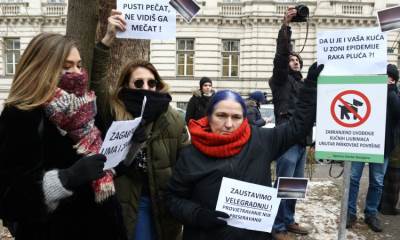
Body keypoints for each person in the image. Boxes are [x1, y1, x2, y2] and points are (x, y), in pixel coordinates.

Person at [0, 14, 127, 240]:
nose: (77, 73)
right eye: (66, 67)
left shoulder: (84, 107)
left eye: (79, 65)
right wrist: (67, 178)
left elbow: (102, 157)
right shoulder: (21, 114)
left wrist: (122, 152)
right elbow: (11, 199)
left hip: (103, 226)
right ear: (42, 69)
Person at [165, 62, 323, 240]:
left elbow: (297, 127)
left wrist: (309, 87)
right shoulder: (190, 154)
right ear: (208, 117)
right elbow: (172, 199)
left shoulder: (262, 140)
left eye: (236, 117)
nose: (229, 124)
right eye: (221, 115)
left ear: (244, 118)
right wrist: (198, 215)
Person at [90, 12, 189, 240]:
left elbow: (185, 163)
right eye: (139, 82)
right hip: (129, 202)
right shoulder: (115, 112)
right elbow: (97, 84)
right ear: (127, 85)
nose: (146, 87)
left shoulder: (172, 118)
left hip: (164, 205)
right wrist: (106, 41)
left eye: (152, 82)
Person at [268, 7, 311, 239]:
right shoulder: (280, 80)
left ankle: (288, 220)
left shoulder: (303, 85)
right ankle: (277, 226)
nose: (294, 61)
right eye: (291, 59)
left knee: (294, 184)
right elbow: (281, 56)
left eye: (297, 60)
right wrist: (286, 26)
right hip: (286, 135)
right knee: (283, 183)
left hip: (302, 139)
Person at [347, 64, 400, 232]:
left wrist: (390, 90)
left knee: (377, 181)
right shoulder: (369, 89)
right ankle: (350, 212)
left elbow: (397, 113)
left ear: (391, 79)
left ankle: (371, 213)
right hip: (361, 144)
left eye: (384, 76)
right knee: (353, 178)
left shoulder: (393, 95)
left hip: (382, 147)